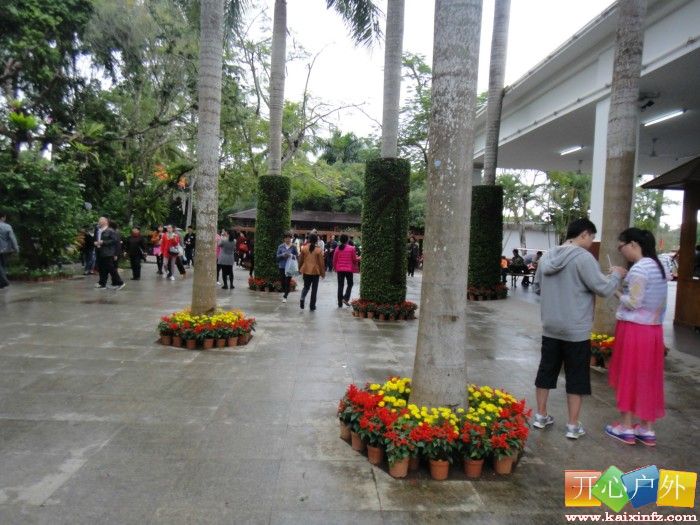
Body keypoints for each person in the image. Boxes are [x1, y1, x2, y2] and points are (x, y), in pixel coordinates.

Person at [532, 218, 627, 440]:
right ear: (583, 234)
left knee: (546, 371)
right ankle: (573, 426)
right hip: (576, 330)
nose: (592, 241)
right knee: (576, 376)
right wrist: (616, 275)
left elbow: (537, 288)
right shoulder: (584, 258)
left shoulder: (547, 257)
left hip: (550, 327)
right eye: (591, 237)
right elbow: (603, 289)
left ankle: (540, 416)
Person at [605, 228, 668, 446]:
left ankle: (625, 427)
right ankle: (647, 429)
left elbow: (633, 302)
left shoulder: (640, 268)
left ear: (633, 244)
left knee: (628, 375)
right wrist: (626, 275)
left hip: (634, 330)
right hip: (653, 330)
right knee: (647, 377)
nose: (621, 252)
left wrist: (615, 290)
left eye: (621, 247)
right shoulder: (658, 266)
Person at [94, 216, 125, 290]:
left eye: (101, 220)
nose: (99, 222)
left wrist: (103, 242)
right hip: (99, 251)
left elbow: (115, 241)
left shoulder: (110, 231)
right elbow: (97, 239)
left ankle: (119, 282)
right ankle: (102, 283)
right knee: (102, 268)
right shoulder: (99, 230)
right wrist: (96, 243)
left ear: (106, 222)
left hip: (108, 252)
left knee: (111, 268)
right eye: (99, 220)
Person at [298, 233, 325, 311]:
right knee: (314, 289)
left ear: (309, 239)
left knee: (306, 287)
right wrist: (322, 273)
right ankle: (312, 306)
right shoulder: (319, 250)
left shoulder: (304, 248)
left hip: (306, 270)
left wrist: (299, 269)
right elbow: (321, 263)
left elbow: (300, 260)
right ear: (316, 240)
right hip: (315, 271)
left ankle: (302, 298)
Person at [333, 233, 360, 308]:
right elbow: (354, 260)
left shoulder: (337, 248)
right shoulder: (352, 248)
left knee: (340, 285)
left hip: (340, 270)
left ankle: (340, 303)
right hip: (349, 270)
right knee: (350, 284)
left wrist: (335, 268)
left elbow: (334, 259)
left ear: (340, 240)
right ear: (347, 240)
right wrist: (359, 258)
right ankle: (345, 298)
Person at [276, 231, 298, 303]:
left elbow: (297, 256)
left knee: (287, 281)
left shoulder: (293, 246)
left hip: (290, 267)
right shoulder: (280, 246)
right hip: (282, 266)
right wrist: (283, 255)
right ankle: (286, 291)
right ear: (284, 239)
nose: (288, 239)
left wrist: (291, 255)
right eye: (286, 238)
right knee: (283, 281)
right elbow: (277, 256)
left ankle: (285, 296)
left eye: (289, 238)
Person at [0, 211, 19, 289]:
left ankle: (3, 282)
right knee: (3, 265)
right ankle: (3, 282)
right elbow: (12, 238)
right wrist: (16, 248)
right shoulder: (7, 226)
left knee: (1, 266)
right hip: (5, 249)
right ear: (2, 217)